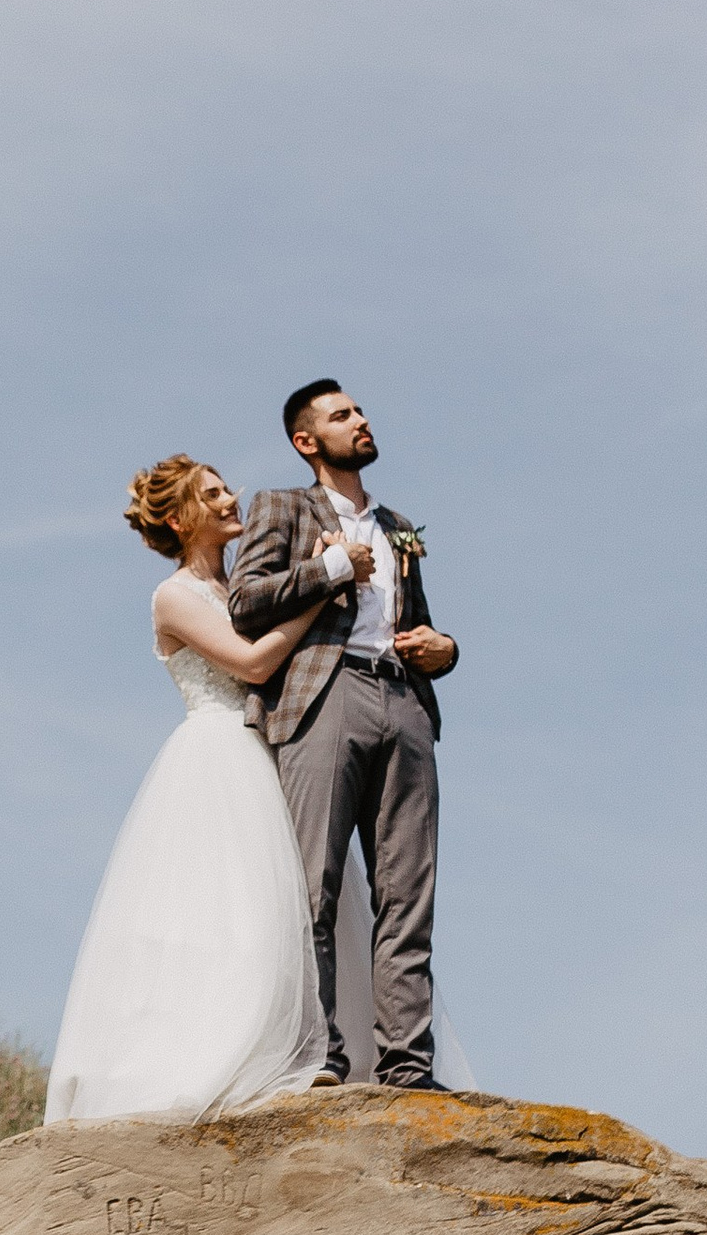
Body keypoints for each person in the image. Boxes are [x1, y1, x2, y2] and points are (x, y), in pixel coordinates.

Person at [44, 455, 327, 1125]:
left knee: (288, 910)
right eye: (213, 493)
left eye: (227, 487)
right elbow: (255, 664)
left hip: (272, 754)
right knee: (225, 915)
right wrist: (324, 586)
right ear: (178, 519)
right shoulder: (174, 596)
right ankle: (219, 1061)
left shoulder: (247, 587)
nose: (233, 497)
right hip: (220, 756)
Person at [227, 380, 458, 1092]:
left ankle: (408, 1070)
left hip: (404, 701)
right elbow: (244, 602)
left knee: (407, 896)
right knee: (313, 888)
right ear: (307, 441)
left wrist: (443, 649)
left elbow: (417, 621)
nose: (360, 421)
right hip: (326, 696)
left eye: (358, 411)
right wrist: (331, 567)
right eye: (341, 416)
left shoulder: (399, 525)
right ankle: (317, 1058)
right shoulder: (281, 507)